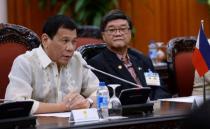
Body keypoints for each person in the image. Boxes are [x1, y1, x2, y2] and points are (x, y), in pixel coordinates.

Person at [4, 15, 99, 114]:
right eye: (65, 41)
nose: (70, 48)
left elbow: (101, 91)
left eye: (74, 42)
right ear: (45, 40)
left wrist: (88, 102)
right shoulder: (25, 62)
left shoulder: (77, 60)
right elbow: (16, 104)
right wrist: (64, 107)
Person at [88, 9, 171, 100]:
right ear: (103, 35)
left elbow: (159, 88)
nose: (118, 33)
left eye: (123, 29)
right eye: (112, 30)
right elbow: (110, 95)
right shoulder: (97, 64)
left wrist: (155, 104)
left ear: (130, 32)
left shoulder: (142, 59)